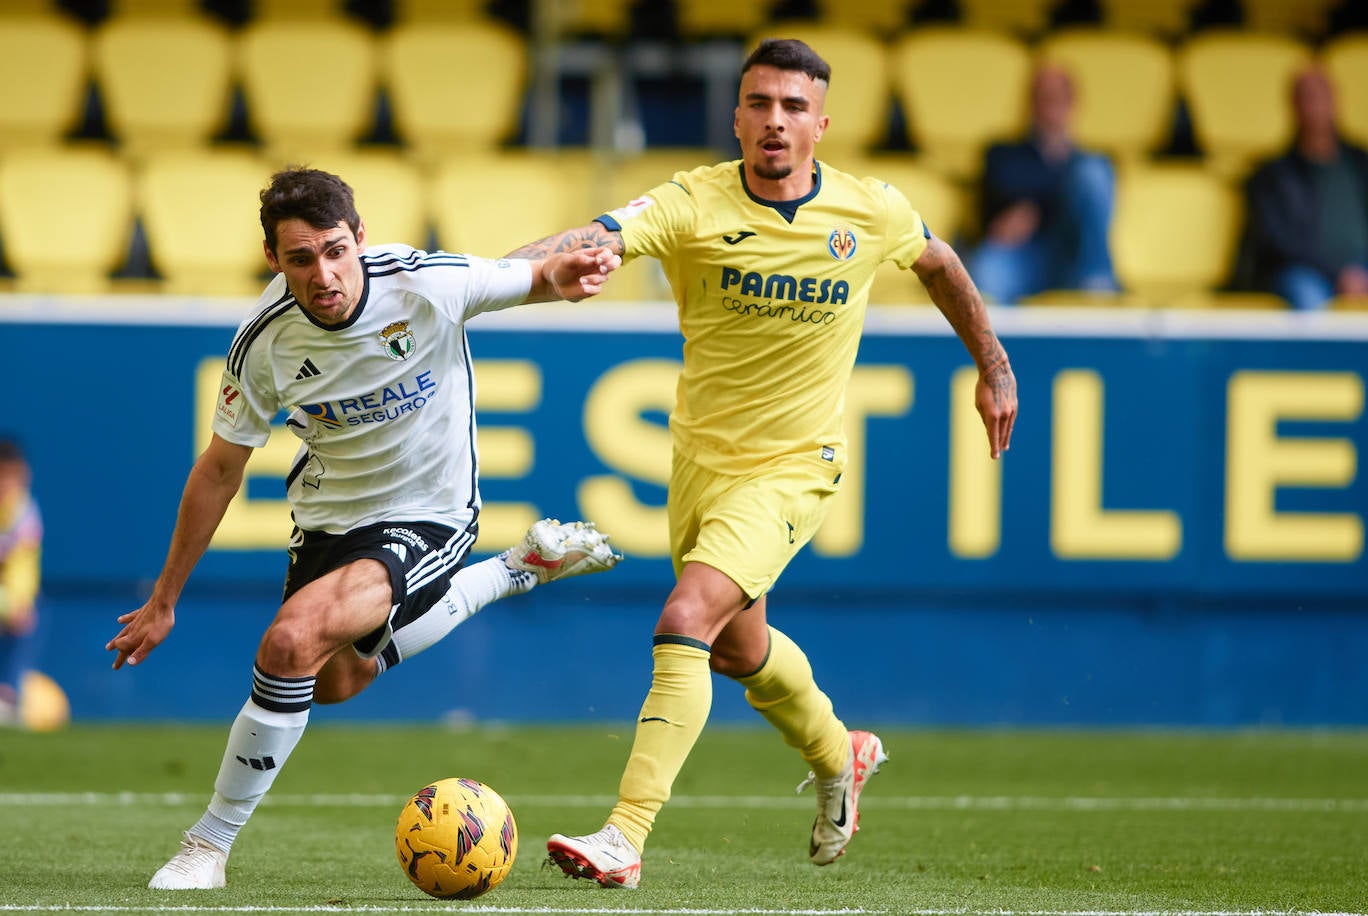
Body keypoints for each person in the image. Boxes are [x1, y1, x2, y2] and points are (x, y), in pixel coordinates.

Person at [507, 38, 1018, 890]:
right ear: (736, 116)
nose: (774, 121)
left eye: (792, 106)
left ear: (821, 122)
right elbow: (589, 235)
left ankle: (625, 836)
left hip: (794, 464)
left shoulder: (868, 210)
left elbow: (939, 263)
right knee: (741, 651)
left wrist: (993, 365)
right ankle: (840, 753)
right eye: (759, 104)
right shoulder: (692, 201)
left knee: (687, 620)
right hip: (699, 460)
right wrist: (480, 285)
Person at [104, 167, 624, 890]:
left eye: (335, 250)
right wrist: (164, 599)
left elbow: (528, 272)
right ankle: (511, 572)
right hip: (328, 522)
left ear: (361, 240)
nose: (324, 275)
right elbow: (219, 470)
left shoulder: (423, 284)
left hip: (430, 511)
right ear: (273, 261)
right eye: (300, 259)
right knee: (334, 679)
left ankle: (206, 846)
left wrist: (561, 271)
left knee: (289, 642)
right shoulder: (264, 343)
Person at [964, 63, 1117, 304]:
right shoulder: (1002, 153)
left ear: (1073, 101)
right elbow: (994, 209)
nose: (1052, 103)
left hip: (1077, 255)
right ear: (1031, 102)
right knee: (987, 270)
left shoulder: (1091, 163)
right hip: (1021, 254)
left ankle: (1098, 289)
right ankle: (992, 342)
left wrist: (1034, 207)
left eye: (1060, 95)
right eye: (1045, 96)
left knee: (1093, 173)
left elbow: (1088, 215)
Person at [1241, 65, 1368, 310]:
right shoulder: (1273, 175)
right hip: (1307, 271)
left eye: (1322, 95)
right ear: (1292, 106)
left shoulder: (1362, 162)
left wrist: (1357, 274)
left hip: (1365, 267)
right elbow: (1280, 244)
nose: (1316, 105)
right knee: (1307, 295)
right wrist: (1338, 274)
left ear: (1336, 100)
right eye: (1306, 97)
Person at [0, 436, 42, 728]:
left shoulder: (24, 513)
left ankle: (7, 695)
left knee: (30, 614)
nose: (5, 485)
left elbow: (23, 567)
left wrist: (18, 603)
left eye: (10, 476)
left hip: (8, 598)